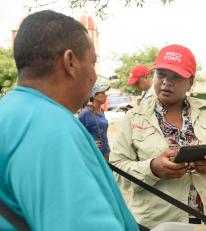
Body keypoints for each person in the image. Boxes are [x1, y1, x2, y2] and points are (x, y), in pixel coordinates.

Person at [0, 10, 138, 230]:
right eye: (92, 63)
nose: (94, 76)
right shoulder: (47, 126)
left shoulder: (11, 110)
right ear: (70, 62)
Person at [110, 44, 206, 229]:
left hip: (201, 219)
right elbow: (116, 170)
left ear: (190, 81)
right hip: (153, 223)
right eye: (161, 74)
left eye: (176, 76)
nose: (166, 82)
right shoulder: (134, 118)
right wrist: (152, 168)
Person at [79, 83, 111, 161]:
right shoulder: (85, 114)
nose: (105, 95)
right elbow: (77, 135)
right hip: (94, 155)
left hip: (106, 152)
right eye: (102, 93)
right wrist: (89, 144)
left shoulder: (102, 111)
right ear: (94, 96)